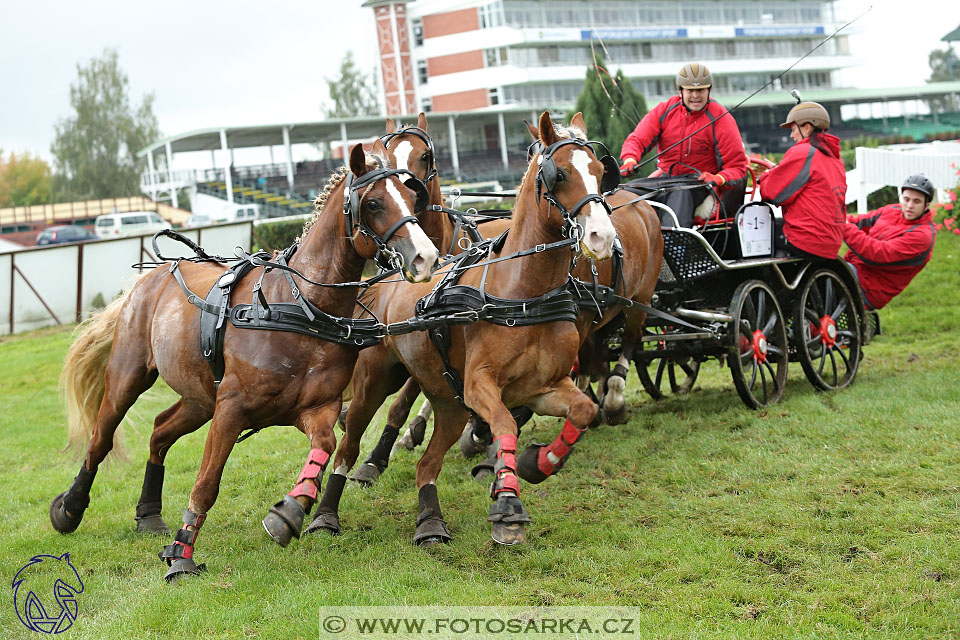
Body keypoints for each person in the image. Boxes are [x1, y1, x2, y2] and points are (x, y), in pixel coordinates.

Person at [619, 62, 748, 227]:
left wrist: (718, 178)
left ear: (708, 90)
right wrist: (630, 159)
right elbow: (637, 139)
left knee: (679, 195)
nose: (695, 95)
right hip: (666, 179)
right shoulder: (664, 110)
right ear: (680, 91)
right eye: (690, 90)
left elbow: (737, 168)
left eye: (700, 90)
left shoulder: (721, 118)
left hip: (698, 183)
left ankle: (676, 248)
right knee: (624, 193)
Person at [758, 101, 846, 260]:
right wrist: (776, 171)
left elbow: (771, 194)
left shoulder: (803, 152)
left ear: (806, 128)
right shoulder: (833, 156)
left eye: (793, 129)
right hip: (831, 241)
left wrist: (765, 176)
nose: (791, 135)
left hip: (808, 240)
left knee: (750, 232)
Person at [842, 174, 937, 310]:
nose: (909, 205)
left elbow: (876, 254)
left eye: (916, 201)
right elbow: (859, 222)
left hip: (869, 288)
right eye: (906, 199)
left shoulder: (922, 236)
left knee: (817, 274)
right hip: (855, 269)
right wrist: (835, 217)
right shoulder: (892, 210)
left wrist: (843, 226)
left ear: (927, 205)